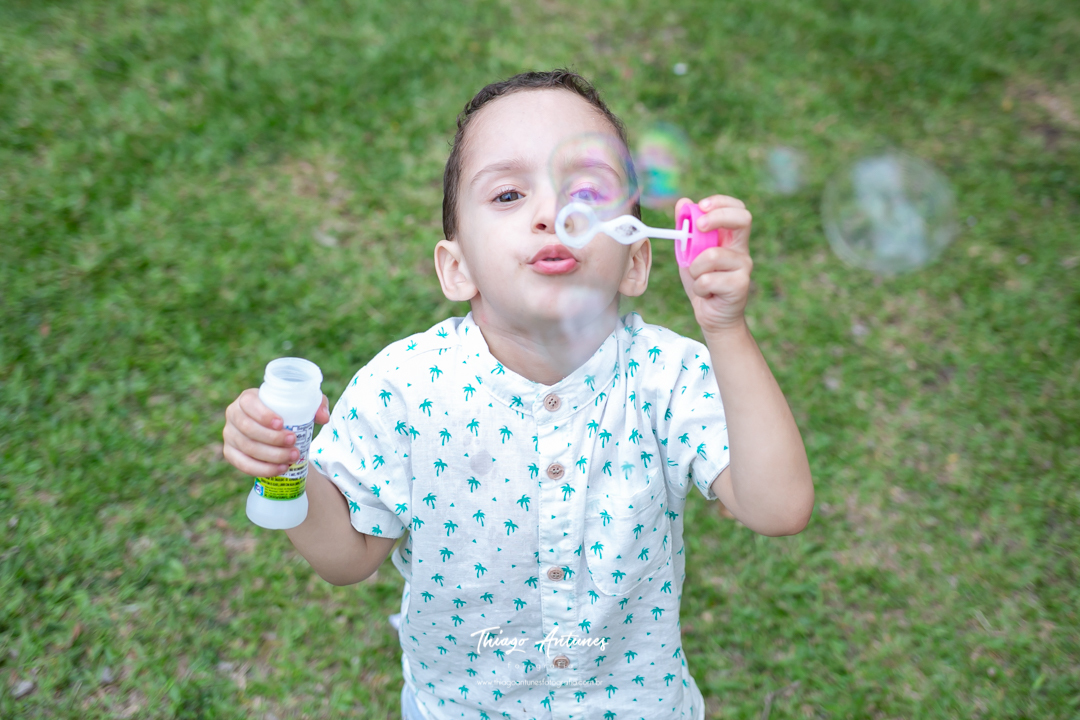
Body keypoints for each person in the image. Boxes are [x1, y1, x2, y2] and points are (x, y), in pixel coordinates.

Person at [222, 69, 813, 720]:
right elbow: (347, 557)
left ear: (638, 259)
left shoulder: (666, 378)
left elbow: (778, 507)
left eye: (586, 192)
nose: (550, 214)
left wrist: (724, 327)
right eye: (508, 194)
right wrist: (289, 470)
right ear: (458, 268)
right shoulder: (406, 391)